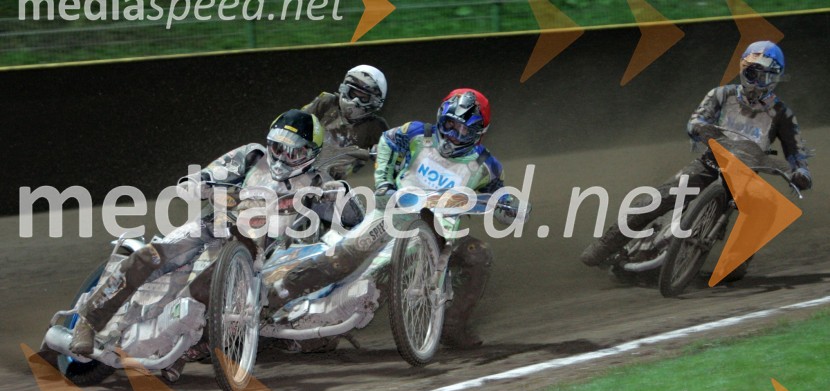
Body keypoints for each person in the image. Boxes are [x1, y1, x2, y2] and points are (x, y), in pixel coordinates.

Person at [69, 110, 360, 358]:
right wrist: (201, 183)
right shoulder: (252, 156)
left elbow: (354, 219)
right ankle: (89, 321)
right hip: (212, 226)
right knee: (151, 256)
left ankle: (191, 345)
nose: (283, 157)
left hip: (260, 256)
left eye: (294, 152)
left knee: (208, 286)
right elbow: (204, 176)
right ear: (269, 144)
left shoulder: (317, 183)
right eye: (278, 147)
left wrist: (342, 194)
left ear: (311, 155)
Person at [268, 88, 527, 349]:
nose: (453, 135)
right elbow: (387, 141)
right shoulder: (417, 133)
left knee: (477, 253)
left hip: (441, 237)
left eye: (463, 131)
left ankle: (453, 325)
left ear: (479, 133)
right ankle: (274, 298)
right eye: (450, 125)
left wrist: (509, 208)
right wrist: (384, 183)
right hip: (389, 216)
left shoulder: (487, 166)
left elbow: (498, 198)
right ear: (441, 117)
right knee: (346, 258)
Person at [580, 40, 813, 267]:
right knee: (654, 200)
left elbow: (796, 150)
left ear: (776, 78)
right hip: (709, 164)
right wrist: (699, 127)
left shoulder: (782, 114)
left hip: (745, 178)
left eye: (765, 76)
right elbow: (697, 118)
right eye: (753, 73)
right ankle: (603, 247)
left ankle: (735, 265)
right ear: (743, 70)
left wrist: (801, 171)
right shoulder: (721, 95)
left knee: (761, 216)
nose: (758, 82)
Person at [302, 64, 390, 180]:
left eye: (362, 97)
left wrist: (380, 151)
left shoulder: (375, 126)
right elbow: (296, 121)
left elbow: (390, 156)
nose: (355, 100)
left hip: (332, 182)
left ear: (375, 101)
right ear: (344, 88)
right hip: (300, 164)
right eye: (354, 93)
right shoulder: (326, 102)